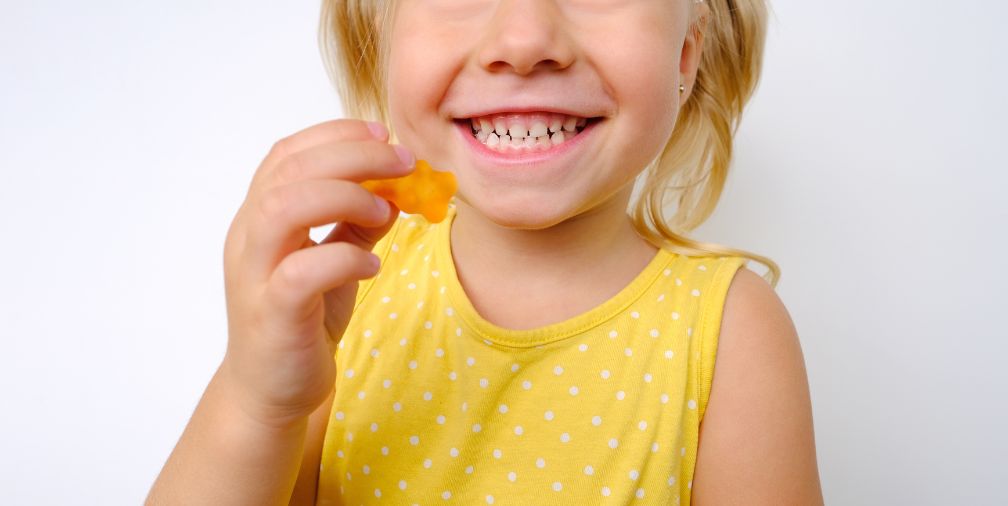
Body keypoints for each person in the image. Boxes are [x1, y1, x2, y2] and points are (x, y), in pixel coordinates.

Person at [147, 0, 824, 504]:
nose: (525, 41)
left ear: (687, 52)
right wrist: (256, 401)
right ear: (378, 41)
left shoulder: (730, 332)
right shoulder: (348, 292)